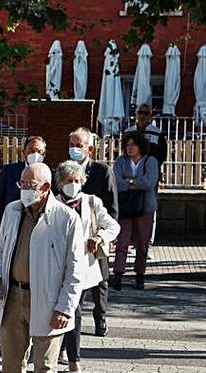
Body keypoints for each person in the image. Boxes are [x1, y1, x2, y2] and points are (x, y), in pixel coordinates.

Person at [0, 162, 85, 373]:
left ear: (45, 188)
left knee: (45, 371)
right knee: (11, 365)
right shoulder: (12, 211)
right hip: (13, 296)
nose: (23, 190)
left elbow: (75, 271)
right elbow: (0, 249)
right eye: (21, 184)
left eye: (29, 186)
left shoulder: (66, 219)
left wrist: (65, 307)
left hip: (48, 303)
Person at [55, 161, 120, 373]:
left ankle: (74, 361)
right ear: (59, 183)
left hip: (82, 267)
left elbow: (113, 226)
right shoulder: (51, 204)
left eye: (76, 181)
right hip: (57, 268)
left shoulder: (92, 202)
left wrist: (100, 237)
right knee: (66, 309)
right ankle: (63, 350)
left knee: (74, 310)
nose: (72, 185)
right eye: (68, 181)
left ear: (82, 181)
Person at [68, 127, 117, 335]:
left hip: (95, 233)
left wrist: (107, 235)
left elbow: (112, 205)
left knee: (101, 278)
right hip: (71, 234)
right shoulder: (65, 170)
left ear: (89, 149)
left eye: (78, 146)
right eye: (71, 145)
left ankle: (100, 316)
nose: (74, 149)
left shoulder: (102, 171)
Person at [112, 132, 159, 291]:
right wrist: (134, 183)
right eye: (127, 144)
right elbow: (116, 182)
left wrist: (129, 182)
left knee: (142, 243)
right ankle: (118, 273)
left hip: (145, 207)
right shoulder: (121, 161)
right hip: (125, 207)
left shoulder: (150, 161)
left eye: (133, 144)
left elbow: (149, 182)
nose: (130, 147)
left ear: (140, 146)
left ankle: (140, 275)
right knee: (122, 242)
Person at [124, 104, 168, 259]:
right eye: (139, 112)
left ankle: (146, 245)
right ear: (135, 114)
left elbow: (162, 156)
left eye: (146, 113)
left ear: (151, 116)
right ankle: (131, 242)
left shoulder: (158, 134)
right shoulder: (128, 132)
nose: (142, 116)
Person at [0, 136, 47, 229]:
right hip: (13, 225)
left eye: (39, 152)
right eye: (31, 150)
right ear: (24, 153)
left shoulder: (50, 175)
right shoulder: (9, 172)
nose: (35, 154)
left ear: (44, 154)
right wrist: (0, 228)